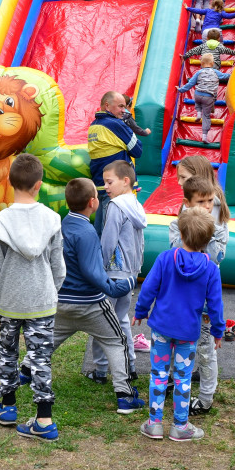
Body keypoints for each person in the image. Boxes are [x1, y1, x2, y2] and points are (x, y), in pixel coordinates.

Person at [0, 153, 65, 442]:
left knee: (8, 352)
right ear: (38, 185)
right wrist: (52, 290)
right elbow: (58, 265)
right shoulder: (53, 220)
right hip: (42, 300)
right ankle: (44, 419)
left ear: (9, 182)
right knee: (41, 357)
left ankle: (7, 407)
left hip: (9, 300)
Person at [44, 177, 144, 414]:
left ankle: (26, 372)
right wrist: (119, 286)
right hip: (88, 303)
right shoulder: (87, 231)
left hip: (61, 301)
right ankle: (125, 395)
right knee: (116, 340)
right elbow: (92, 271)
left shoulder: (61, 225)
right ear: (92, 203)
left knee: (50, 339)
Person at [133, 207, 224, 441]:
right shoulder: (211, 269)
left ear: (181, 235)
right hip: (188, 334)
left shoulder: (165, 258)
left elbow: (149, 288)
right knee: (183, 378)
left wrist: (141, 311)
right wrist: (217, 330)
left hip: (161, 330)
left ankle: (154, 424)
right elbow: (215, 304)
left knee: (158, 375)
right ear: (207, 240)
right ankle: (180, 426)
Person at [169, 176, 228, 414]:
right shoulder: (177, 225)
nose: (207, 206)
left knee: (205, 351)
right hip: (179, 302)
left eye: (210, 201)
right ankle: (176, 382)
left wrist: (207, 231)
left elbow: (213, 258)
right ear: (187, 203)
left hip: (203, 305)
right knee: (176, 344)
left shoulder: (219, 228)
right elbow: (176, 256)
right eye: (201, 201)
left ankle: (205, 398)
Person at [87, 160, 145, 383]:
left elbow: (108, 239)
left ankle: (101, 370)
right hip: (129, 275)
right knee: (121, 320)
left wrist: (98, 268)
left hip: (112, 275)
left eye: (109, 182)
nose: (106, 187)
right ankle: (130, 366)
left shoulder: (115, 206)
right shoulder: (137, 205)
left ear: (125, 181)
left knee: (100, 321)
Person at [88, 91, 143, 236]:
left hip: (100, 185)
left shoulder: (94, 125)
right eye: (120, 106)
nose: (123, 111)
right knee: (113, 232)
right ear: (107, 105)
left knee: (99, 229)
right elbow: (137, 151)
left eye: (124, 107)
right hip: (117, 188)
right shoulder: (117, 125)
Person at [177, 54, 231, 142]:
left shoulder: (198, 72)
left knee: (198, 102)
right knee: (206, 116)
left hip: (198, 94)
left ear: (201, 63)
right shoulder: (215, 72)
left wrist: (181, 90)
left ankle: (198, 112)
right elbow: (225, 76)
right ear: (213, 63)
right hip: (208, 97)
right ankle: (204, 136)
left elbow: (190, 83)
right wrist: (232, 75)